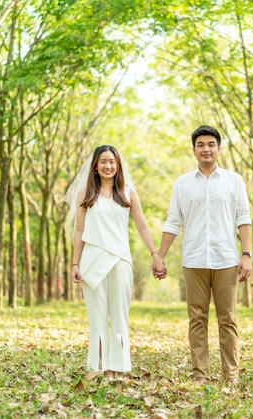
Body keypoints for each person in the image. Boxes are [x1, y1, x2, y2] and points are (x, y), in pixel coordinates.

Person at [156, 125, 252, 385]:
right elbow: (173, 222)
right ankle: (200, 373)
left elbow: (243, 218)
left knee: (228, 319)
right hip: (194, 259)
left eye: (211, 144)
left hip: (226, 260)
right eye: (201, 144)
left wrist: (247, 254)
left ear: (219, 149)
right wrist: (159, 256)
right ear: (194, 150)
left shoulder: (234, 181)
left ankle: (231, 374)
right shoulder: (182, 184)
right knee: (196, 319)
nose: (206, 148)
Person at [66, 145, 165, 381]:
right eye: (103, 161)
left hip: (120, 260)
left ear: (118, 165)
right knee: (98, 316)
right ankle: (99, 367)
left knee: (119, 315)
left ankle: (117, 368)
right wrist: (75, 263)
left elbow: (142, 225)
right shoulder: (84, 194)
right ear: (95, 166)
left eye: (112, 161)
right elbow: (79, 229)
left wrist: (155, 253)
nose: (108, 165)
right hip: (92, 261)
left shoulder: (128, 193)